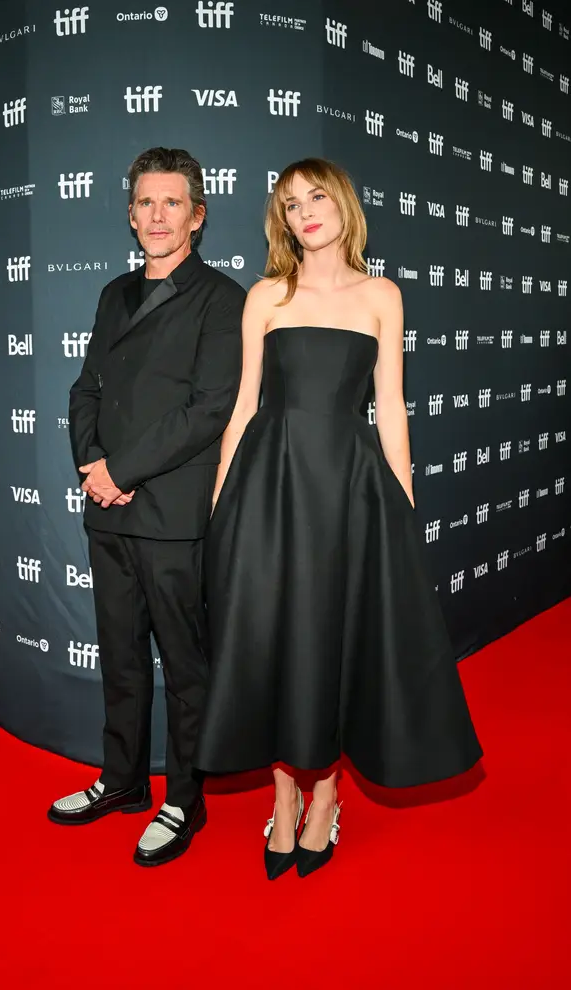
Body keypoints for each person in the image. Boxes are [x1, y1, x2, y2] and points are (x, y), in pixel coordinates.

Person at [194, 158, 482, 880]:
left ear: (343, 205)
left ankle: (327, 797)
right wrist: (222, 500)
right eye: (290, 205)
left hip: (349, 489)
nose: (305, 213)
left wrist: (403, 509)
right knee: (276, 639)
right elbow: (245, 407)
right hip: (271, 485)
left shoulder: (382, 294)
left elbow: (391, 408)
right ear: (281, 222)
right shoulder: (266, 295)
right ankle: (284, 800)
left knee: (332, 640)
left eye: (317, 198)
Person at [48, 147, 245, 867]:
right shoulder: (111, 294)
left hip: (171, 514)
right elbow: (84, 391)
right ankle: (122, 779)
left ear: (197, 214)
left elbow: (208, 410)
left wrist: (123, 468)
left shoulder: (224, 300)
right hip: (108, 509)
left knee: (186, 666)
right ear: (130, 215)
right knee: (121, 658)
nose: (156, 216)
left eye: (172, 203)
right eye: (144, 203)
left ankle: (182, 800)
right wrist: (92, 467)